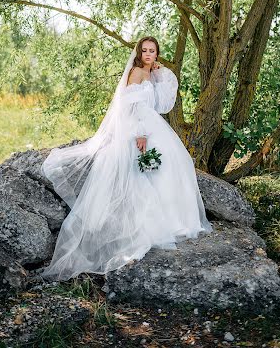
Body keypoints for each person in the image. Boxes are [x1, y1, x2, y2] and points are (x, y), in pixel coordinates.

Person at [39, 36, 212, 281]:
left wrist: (160, 73)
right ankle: (148, 226)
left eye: (153, 51)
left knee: (175, 164)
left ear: (157, 53)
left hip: (154, 123)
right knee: (147, 173)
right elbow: (130, 107)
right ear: (139, 53)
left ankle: (175, 220)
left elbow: (162, 105)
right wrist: (140, 134)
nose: (149, 54)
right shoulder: (136, 73)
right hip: (140, 127)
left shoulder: (151, 73)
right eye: (145, 50)